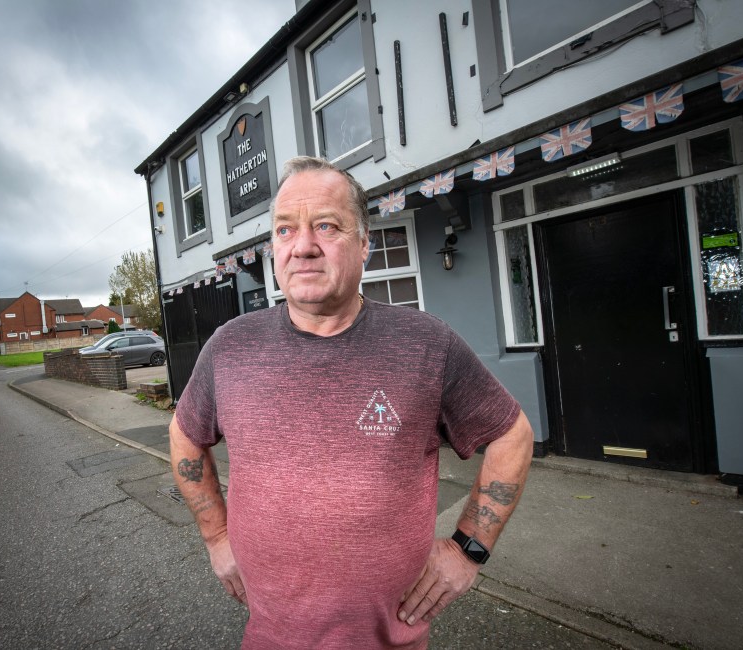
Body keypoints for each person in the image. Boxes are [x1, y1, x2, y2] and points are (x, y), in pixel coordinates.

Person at [169, 156, 534, 649]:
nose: (303, 247)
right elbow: (185, 434)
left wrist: (469, 549)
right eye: (284, 230)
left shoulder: (426, 344)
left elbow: (511, 434)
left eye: (326, 225)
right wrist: (216, 537)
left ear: (364, 243)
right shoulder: (230, 347)